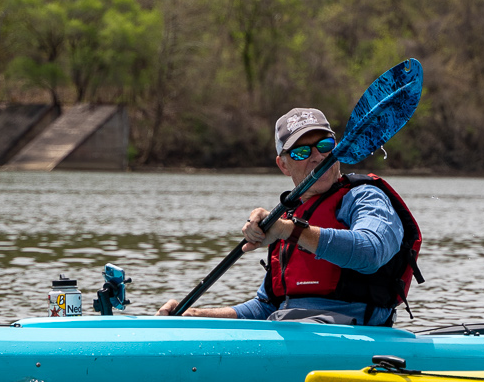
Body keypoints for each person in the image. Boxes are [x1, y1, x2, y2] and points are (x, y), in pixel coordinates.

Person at [159, 107, 423, 324]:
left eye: (324, 145)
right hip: (290, 330)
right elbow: (266, 307)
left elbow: (371, 252)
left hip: (354, 337)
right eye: (301, 151)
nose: (318, 157)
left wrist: (290, 231)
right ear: (283, 164)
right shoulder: (287, 215)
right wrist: (194, 316)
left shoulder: (365, 198)